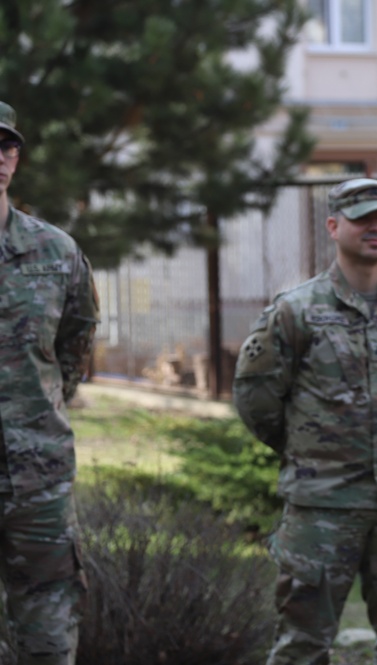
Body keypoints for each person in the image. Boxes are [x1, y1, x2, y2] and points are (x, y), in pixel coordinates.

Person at [233, 177, 377, 665]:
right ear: (334, 226)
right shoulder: (296, 312)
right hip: (322, 504)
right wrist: (307, 448)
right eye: (362, 219)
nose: (375, 228)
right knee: (302, 646)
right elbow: (255, 397)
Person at [0, 101, 98, 664]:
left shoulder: (55, 252)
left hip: (38, 480)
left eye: (7, 145)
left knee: (48, 636)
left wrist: (38, 410)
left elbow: (75, 342)